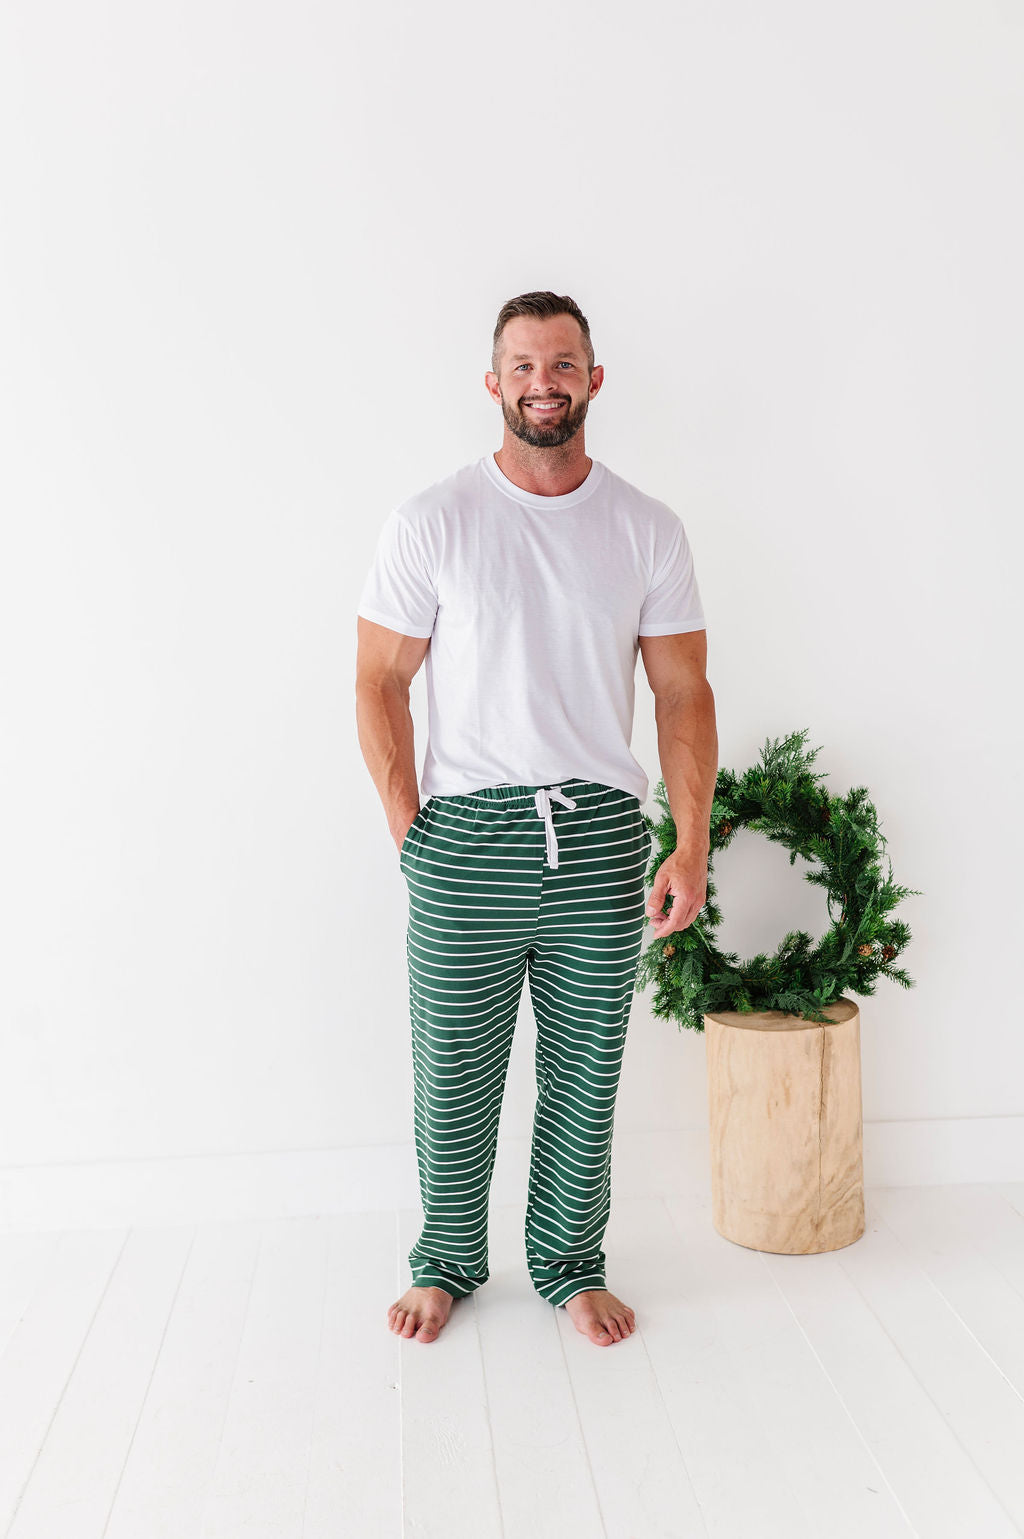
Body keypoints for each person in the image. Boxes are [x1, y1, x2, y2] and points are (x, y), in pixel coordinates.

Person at [355, 290, 718, 1347]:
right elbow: (379, 679)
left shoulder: (646, 528)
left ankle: (568, 1263)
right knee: (453, 1072)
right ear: (493, 384)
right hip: (465, 836)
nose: (543, 383)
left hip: (600, 835)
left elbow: (682, 693)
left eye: (562, 363)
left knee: (585, 1073)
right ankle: (445, 1259)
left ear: (593, 379)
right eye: (522, 366)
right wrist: (411, 830)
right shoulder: (433, 520)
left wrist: (689, 842)